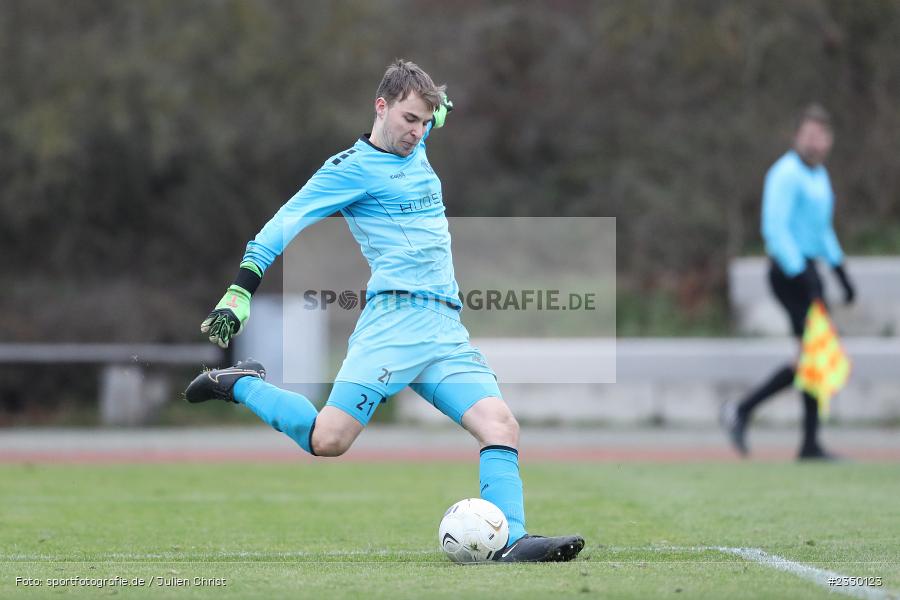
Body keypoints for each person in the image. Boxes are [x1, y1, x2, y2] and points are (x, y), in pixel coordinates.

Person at [185, 59, 584, 562]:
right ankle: (241, 383)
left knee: (500, 426)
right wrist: (240, 290)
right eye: (408, 119)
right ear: (382, 107)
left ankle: (513, 542)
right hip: (393, 326)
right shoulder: (349, 170)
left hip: (443, 329)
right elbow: (285, 221)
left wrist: (438, 107)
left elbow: (434, 112)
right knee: (328, 440)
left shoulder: (417, 138)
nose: (417, 132)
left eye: (424, 122)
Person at [722, 104, 856, 461]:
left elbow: (821, 229)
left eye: (822, 135)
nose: (816, 142)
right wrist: (801, 274)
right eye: (809, 134)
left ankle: (753, 416)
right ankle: (755, 416)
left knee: (812, 356)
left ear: (829, 140)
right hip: (788, 272)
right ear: (797, 136)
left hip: (809, 271)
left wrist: (840, 270)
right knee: (816, 353)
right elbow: (775, 228)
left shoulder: (819, 176)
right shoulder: (785, 173)